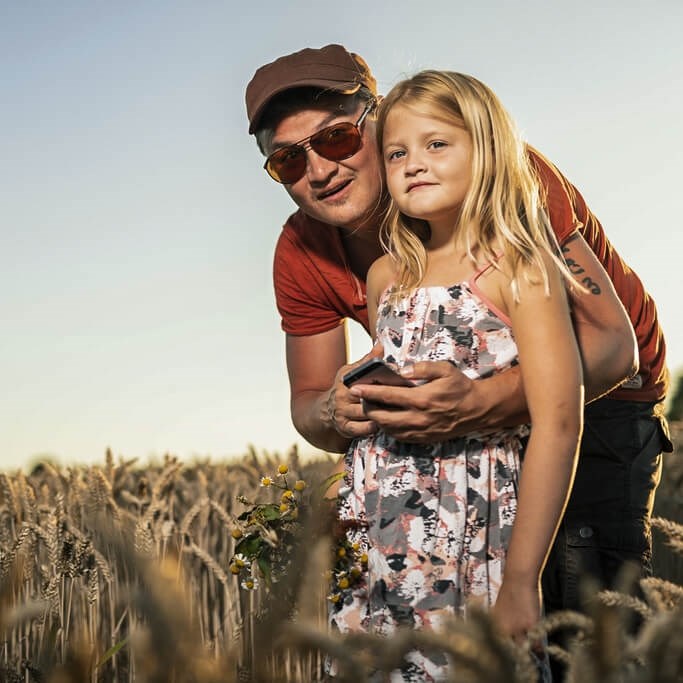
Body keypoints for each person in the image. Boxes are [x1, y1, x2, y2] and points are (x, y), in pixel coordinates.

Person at [244, 43, 671, 629]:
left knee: (575, 624)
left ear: (380, 118)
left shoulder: (500, 176)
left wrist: (477, 405)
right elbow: (310, 403)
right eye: (287, 162)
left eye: (336, 138)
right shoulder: (305, 252)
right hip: (447, 452)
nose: (318, 170)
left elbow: (611, 349)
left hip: (598, 405)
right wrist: (338, 410)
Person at [330, 68, 583, 680]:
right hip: (375, 542)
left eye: (437, 143)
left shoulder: (519, 268)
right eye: (397, 152)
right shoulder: (385, 278)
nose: (414, 163)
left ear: (488, 147)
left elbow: (559, 423)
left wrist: (522, 581)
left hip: (468, 537)